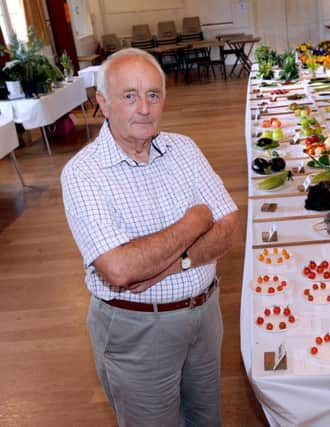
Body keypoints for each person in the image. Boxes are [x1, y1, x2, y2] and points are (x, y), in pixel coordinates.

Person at [61, 48, 240, 427]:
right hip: (138, 329)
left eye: (153, 95)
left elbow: (229, 227)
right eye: (129, 96)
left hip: (205, 315)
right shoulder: (83, 174)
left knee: (206, 418)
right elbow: (121, 269)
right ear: (103, 104)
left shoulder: (184, 148)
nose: (143, 107)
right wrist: (195, 220)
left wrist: (178, 262)